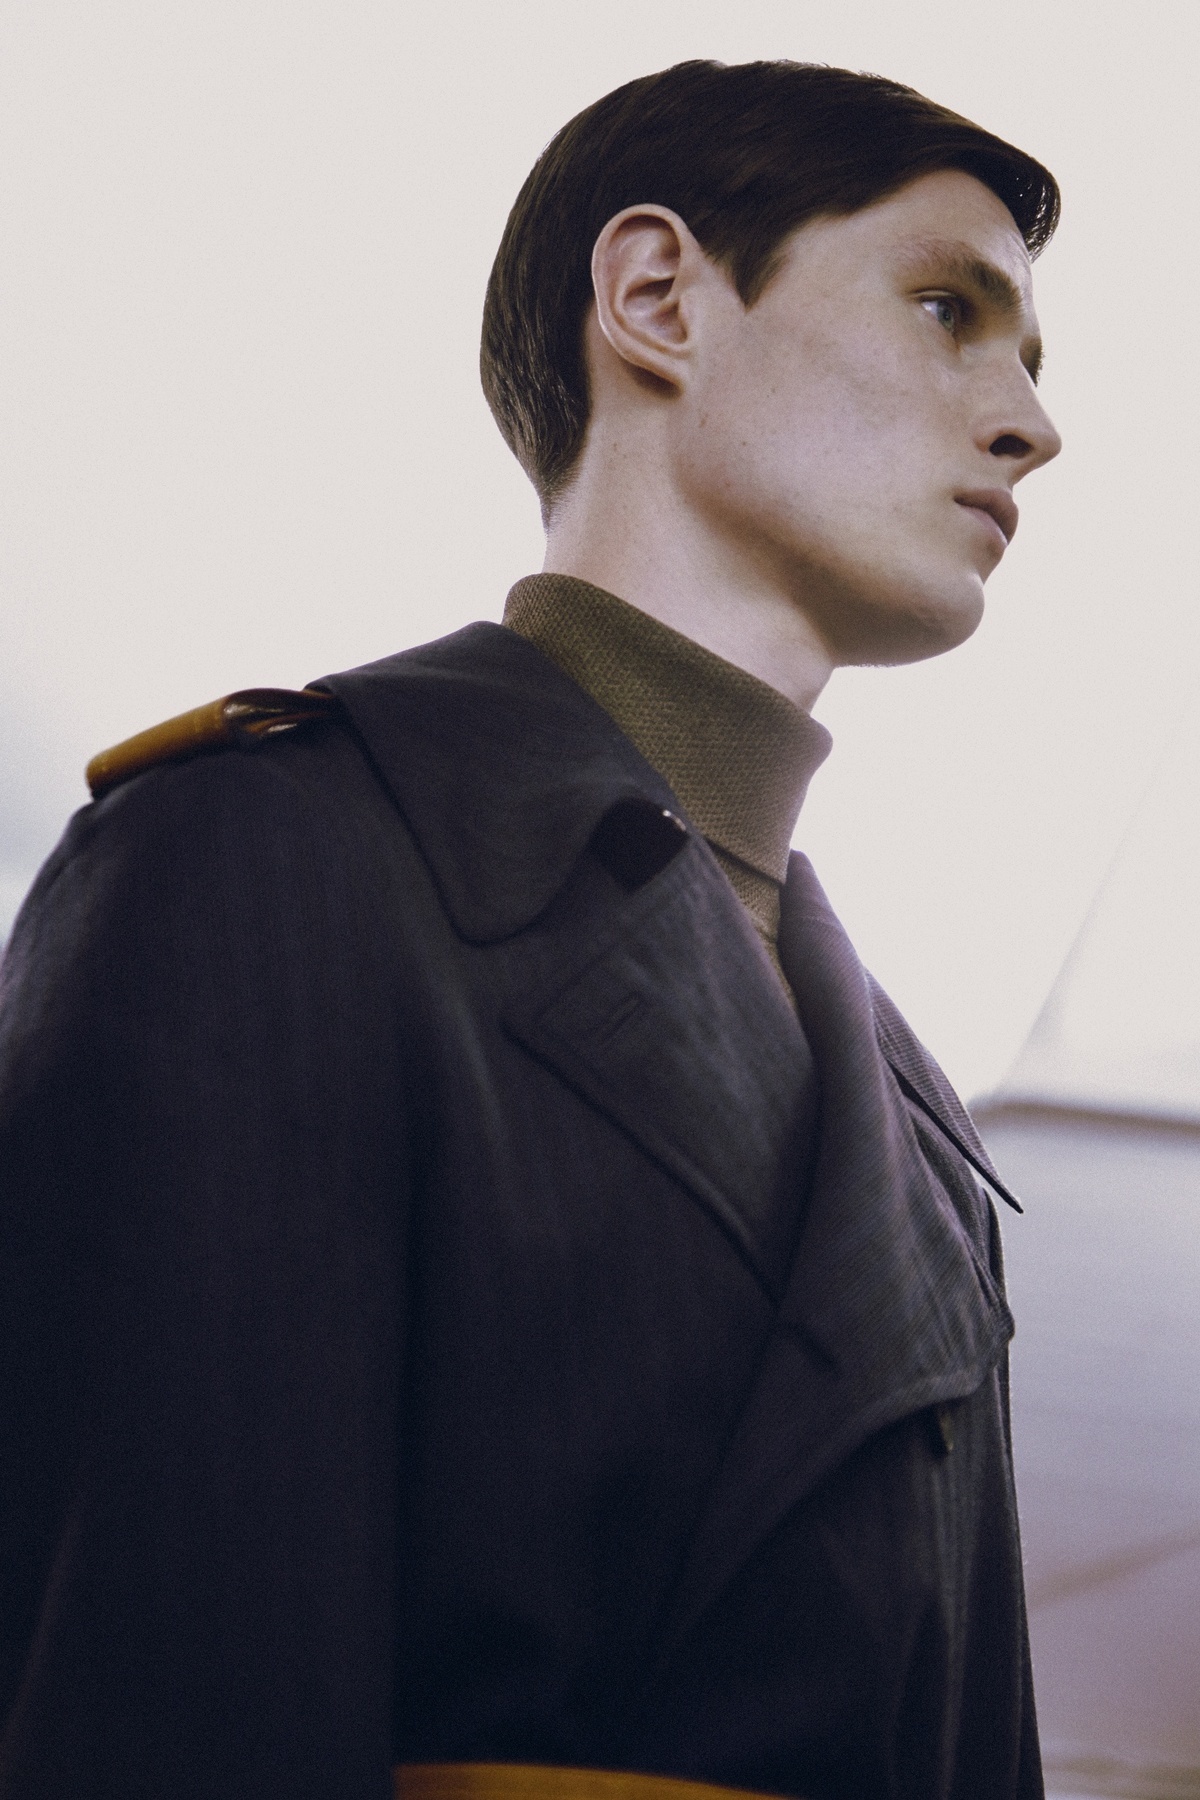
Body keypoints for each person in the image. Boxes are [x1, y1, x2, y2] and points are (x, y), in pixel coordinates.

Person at [0, 58, 1061, 1800]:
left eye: (1026, 359)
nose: (1030, 419)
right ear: (654, 298)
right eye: (953, 309)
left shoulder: (923, 1128)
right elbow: (154, 1694)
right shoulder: (265, 858)